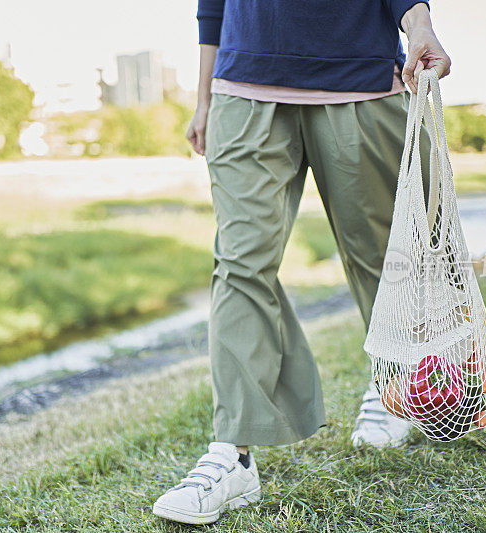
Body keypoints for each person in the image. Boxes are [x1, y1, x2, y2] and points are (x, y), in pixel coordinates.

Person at [152, 0, 450, 525]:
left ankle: (398, 387)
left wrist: (419, 23)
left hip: (360, 79)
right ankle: (234, 453)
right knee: (239, 265)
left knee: (378, 254)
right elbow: (212, 6)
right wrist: (204, 97)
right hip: (243, 86)